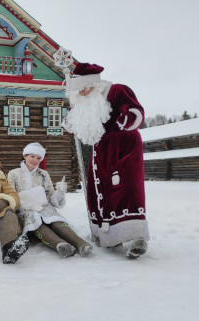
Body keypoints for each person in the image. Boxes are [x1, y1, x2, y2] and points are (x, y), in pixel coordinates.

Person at [63, 62, 149, 259]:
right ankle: (107, 235)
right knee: (99, 190)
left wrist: (127, 119)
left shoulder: (116, 91)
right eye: (79, 91)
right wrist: (70, 121)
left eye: (86, 88)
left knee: (126, 189)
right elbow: (76, 123)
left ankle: (134, 238)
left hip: (123, 146)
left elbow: (136, 111)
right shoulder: (83, 103)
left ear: (93, 84)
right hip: (100, 150)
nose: (83, 93)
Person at [7, 142, 93, 258]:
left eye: (38, 158)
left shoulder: (43, 174)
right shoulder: (13, 174)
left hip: (43, 207)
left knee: (56, 222)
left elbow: (51, 197)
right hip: (24, 210)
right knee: (36, 223)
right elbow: (11, 196)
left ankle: (80, 244)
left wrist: (60, 192)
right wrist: (29, 206)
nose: (35, 160)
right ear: (25, 156)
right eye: (32, 156)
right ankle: (60, 245)